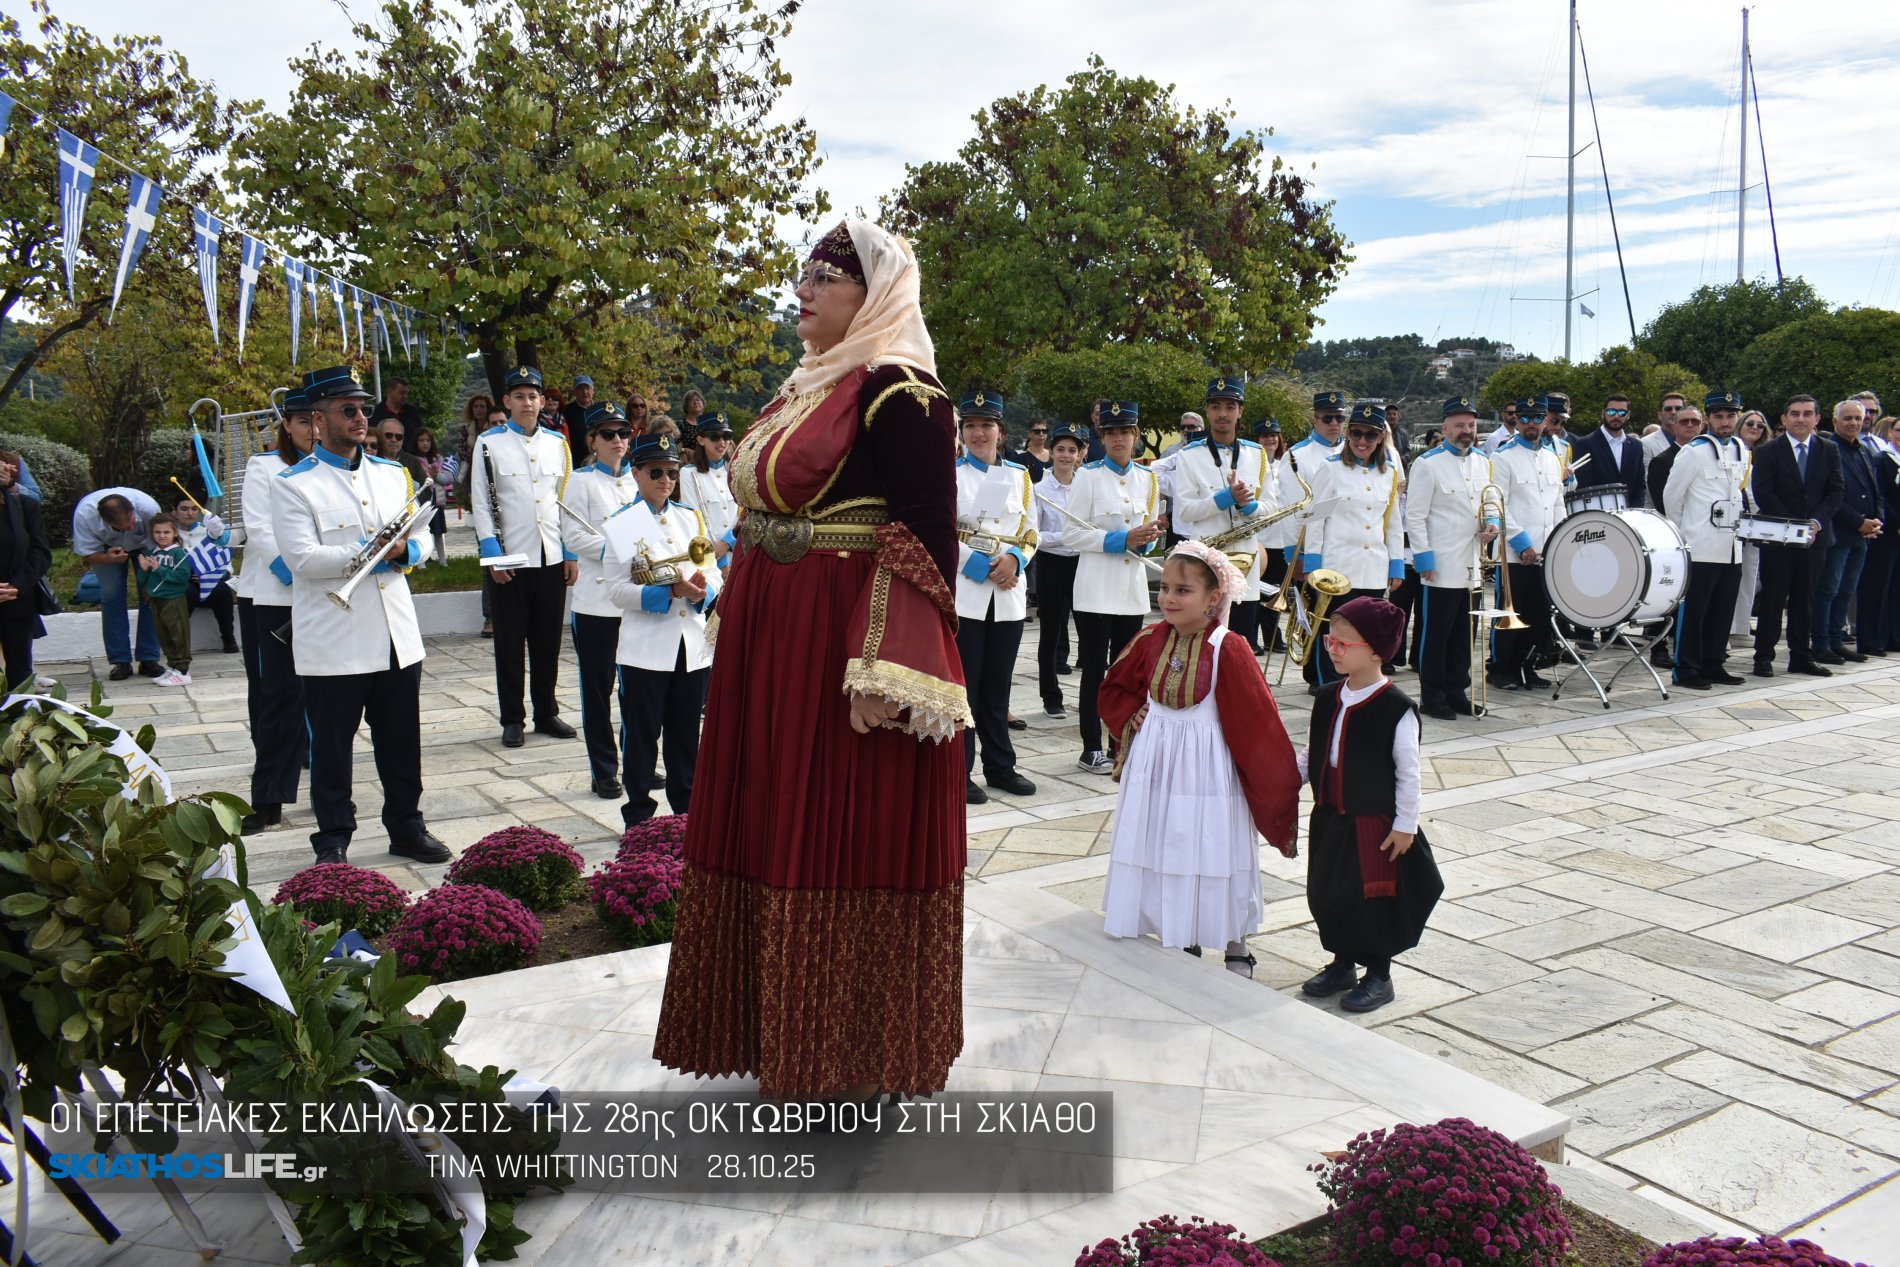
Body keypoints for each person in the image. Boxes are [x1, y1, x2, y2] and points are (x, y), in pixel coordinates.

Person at [653, 219, 971, 1102]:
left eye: (824, 279)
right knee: (770, 818)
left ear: (871, 298)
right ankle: (774, 1038)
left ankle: (847, 1059)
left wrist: (884, 670)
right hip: (773, 642)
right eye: (804, 276)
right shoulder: (804, 387)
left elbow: (926, 541)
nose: (803, 291)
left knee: (841, 826)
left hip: (841, 650)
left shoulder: (904, 394)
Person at [272, 365, 450, 866]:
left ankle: (406, 826)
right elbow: (303, 559)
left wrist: (407, 552)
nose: (359, 418)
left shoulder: (394, 474)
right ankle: (333, 838)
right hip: (334, 638)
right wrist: (373, 548)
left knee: (401, 741)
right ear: (317, 419)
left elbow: (415, 541)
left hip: (395, 633)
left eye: (363, 409)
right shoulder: (294, 484)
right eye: (347, 410)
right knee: (331, 749)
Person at [1098, 542, 1301, 976]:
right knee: (1164, 843)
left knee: (1213, 848)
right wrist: (1132, 714)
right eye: (1166, 588)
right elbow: (1114, 687)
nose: (1169, 598)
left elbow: (1257, 719)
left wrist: (1278, 776)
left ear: (1213, 598)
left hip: (1207, 770)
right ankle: (1178, 931)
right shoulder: (1150, 639)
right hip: (1157, 763)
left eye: (1183, 591)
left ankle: (1235, 944)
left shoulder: (1230, 647)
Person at [1296, 596, 1441, 1015]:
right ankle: (1342, 963)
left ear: (1376, 651)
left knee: (1373, 898)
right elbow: (1312, 753)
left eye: (1344, 645)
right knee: (1331, 892)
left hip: (1374, 824)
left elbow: (1408, 772)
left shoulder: (1396, 709)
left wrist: (1405, 825)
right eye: (1330, 642)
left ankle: (1379, 974)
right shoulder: (1328, 697)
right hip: (1330, 817)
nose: (1334, 651)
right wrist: (1286, 779)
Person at [607, 432, 721, 826]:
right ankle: (638, 816)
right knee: (641, 737)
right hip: (645, 648)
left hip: (690, 645)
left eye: (672, 472)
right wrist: (668, 591)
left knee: (685, 735)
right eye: (656, 471)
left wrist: (701, 592)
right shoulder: (622, 523)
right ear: (635, 472)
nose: (665, 480)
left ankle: (685, 813)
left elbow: (712, 572)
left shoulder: (690, 517)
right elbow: (618, 591)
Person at [473, 366, 580, 748]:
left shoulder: (558, 444)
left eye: (533, 396)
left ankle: (546, 711)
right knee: (510, 642)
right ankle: (512, 717)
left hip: (550, 554)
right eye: (519, 396)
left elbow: (564, 503)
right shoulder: (489, 443)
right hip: (510, 558)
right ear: (507, 402)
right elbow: (481, 503)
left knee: (548, 640)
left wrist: (569, 552)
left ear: (541, 401)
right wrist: (492, 553)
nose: (527, 402)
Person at [232, 390, 315, 835]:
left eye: (317, 420)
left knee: (325, 698)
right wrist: (296, 571)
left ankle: (328, 789)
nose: (312, 430)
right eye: (303, 421)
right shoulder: (264, 467)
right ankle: (268, 799)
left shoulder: (338, 466)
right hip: (274, 594)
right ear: (286, 425)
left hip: (323, 594)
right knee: (277, 697)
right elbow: (260, 527)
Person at [1067, 403, 1163, 775]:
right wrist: (1121, 538)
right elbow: (1073, 533)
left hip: (1130, 588)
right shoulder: (1087, 477)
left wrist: (1148, 539)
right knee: (1095, 669)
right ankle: (1091, 746)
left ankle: (1121, 741)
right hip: (1094, 588)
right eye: (1111, 432)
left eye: (1125, 431)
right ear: (1102, 437)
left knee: (1128, 672)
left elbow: (1151, 534)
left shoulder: (1148, 479)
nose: (1119, 438)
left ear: (1136, 435)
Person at [954, 389, 1038, 803]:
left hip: (1007, 593)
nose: (978, 432)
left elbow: (1031, 531)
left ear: (1000, 431)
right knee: (966, 686)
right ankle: (960, 771)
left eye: (986, 425)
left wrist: (1016, 560)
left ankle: (1001, 767)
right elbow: (939, 530)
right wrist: (978, 565)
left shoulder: (1020, 476)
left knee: (998, 687)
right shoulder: (949, 473)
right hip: (967, 591)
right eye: (971, 425)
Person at [1404, 397, 1499, 720]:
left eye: (1471, 425)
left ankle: (1457, 691)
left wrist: (1493, 523)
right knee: (1436, 634)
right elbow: (1414, 517)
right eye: (1459, 425)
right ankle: (1433, 695)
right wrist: (1424, 557)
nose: (1466, 431)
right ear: (1445, 428)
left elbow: (1489, 501)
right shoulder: (1428, 464)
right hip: (1441, 565)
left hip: (1473, 565)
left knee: (1464, 633)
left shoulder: (1483, 462)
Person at [561, 402, 639, 799]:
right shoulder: (580, 481)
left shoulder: (639, 480)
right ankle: (603, 769)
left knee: (636, 688)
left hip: (634, 602)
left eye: (623, 433)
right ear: (592, 440)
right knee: (598, 690)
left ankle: (636, 761)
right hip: (596, 602)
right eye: (608, 434)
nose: (618, 441)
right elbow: (573, 538)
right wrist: (620, 547)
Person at [1303, 404, 1406, 686]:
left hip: (1373, 567)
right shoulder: (1331, 468)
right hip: (1337, 570)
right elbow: (1315, 519)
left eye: (1370, 436)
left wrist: (1396, 564)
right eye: (1357, 433)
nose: (1362, 441)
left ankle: (1361, 689)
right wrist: (1313, 565)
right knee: (1335, 636)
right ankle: (1330, 689)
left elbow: (1393, 521)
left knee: (1366, 638)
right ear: (1348, 434)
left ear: (1380, 438)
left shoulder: (1389, 473)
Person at [1173, 378, 1273, 656]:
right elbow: (1185, 511)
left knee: (1240, 646)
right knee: (1204, 646)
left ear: (1240, 411)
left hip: (1246, 563)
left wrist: (1248, 507)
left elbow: (1272, 507)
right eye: (1216, 407)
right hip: (1207, 561)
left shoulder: (1257, 454)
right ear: (1207, 411)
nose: (1223, 414)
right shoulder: (1189, 456)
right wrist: (1223, 499)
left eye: (1230, 406)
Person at [1750, 395, 1843, 678]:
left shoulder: (1829, 450)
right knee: (1773, 599)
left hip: (1815, 538)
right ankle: (1763, 656)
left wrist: (1815, 522)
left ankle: (1801, 656)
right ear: (1784, 419)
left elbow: (1836, 491)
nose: (1800, 419)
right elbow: (1763, 492)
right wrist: (1793, 525)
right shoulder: (1768, 451)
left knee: (1805, 599)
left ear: (1817, 418)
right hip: (1779, 538)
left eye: (1807, 414)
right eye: (1794, 414)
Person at [1663, 391, 1750, 689]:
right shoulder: (1694, 451)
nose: (1725, 422)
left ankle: (1714, 664)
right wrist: (1685, 533)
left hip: (1731, 547)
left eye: (1730, 415)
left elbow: (1739, 492)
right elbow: (1672, 497)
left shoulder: (1742, 449)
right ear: (1708, 418)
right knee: (1695, 612)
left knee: (1722, 610)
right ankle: (1686, 668)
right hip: (1700, 545)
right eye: (1719, 416)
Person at [1488, 402, 1563, 691]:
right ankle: (1500, 668)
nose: (1531, 423)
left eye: (1537, 418)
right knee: (1510, 614)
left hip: (1546, 550)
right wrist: (1522, 543)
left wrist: (1560, 538)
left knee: (1538, 615)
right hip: (1514, 553)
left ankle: (1528, 666)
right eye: (1525, 418)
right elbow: (1498, 503)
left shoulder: (1551, 458)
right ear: (1517, 421)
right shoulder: (1502, 457)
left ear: (1545, 421)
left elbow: (1557, 503)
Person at [1812, 398, 1883, 665]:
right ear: (1835, 421)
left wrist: (1877, 520)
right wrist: (1857, 522)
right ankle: (1820, 643)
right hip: (1838, 530)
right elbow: (1831, 495)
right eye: (1847, 418)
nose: (1853, 423)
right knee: (1828, 589)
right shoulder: (1830, 449)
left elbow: (1874, 488)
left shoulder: (1863, 449)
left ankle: (1836, 640)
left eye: (1858, 418)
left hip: (1862, 533)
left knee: (1846, 589)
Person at [72, 487, 164, 681]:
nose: (129, 529)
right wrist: (107, 558)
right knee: (111, 596)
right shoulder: (84, 515)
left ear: (133, 511)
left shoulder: (148, 508)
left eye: (131, 523)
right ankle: (120, 661)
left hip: (146, 544)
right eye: (121, 528)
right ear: (106, 522)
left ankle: (149, 658)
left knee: (152, 594)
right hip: (106, 548)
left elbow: (161, 541)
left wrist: (152, 570)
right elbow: (88, 553)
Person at [1032, 425, 1085, 718]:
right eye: (1061, 449)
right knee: (1050, 633)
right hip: (1052, 565)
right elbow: (1036, 534)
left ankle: (1092, 695)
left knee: (1090, 632)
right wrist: (1067, 536)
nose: (1066, 455)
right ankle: (1051, 696)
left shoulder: (1085, 487)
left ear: (1080, 455)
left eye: (1072, 450)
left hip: (1082, 564)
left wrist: (1076, 538)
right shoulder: (1039, 490)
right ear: (1051, 453)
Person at [0, 451, 51, 688]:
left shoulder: (24, 506)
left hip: (17, 598)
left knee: (19, 674)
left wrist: (17, 585)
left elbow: (41, 553)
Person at [171, 493, 238, 654]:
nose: (190, 513)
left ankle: (228, 637)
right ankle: (180, 643)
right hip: (185, 583)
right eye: (184, 509)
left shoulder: (210, 531)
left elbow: (225, 562)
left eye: (194, 509)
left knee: (221, 590)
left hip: (210, 580)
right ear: (174, 511)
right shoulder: (170, 534)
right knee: (187, 593)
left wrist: (208, 574)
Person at [1254, 420, 1297, 656]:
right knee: (1257, 591)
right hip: (1262, 538)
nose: (1270, 440)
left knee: (1276, 591)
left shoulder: (1286, 464)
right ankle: (1256, 638)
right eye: (1264, 436)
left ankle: (1273, 637)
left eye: (1274, 436)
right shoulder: (1254, 464)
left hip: (1281, 538)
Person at [137, 512, 195, 686]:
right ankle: (172, 666)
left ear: (175, 533)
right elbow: (142, 580)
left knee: (178, 634)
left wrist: (159, 568)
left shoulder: (179, 553)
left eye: (166, 532)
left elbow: (182, 577)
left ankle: (183, 670)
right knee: (164, 635)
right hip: (157, 599)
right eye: (157, 532)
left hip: (174, 599)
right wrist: (144, 569)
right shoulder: (152, 552)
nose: (162, 536)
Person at [677, 412, 740, 567]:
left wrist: (728, 542)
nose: (722, 442)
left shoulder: (737, 470)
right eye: (714, 437)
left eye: (726, 436)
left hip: (740, 552)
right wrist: (722, 563)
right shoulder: (688, 473)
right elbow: (694, 519)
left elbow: (745, 515)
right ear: (700, 440)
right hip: (709, 559)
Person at [1730, 409, 1771, 647]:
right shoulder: (1732, 450)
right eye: (1750, 423)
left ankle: (1741, 626)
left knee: (1750, 576)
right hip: (1734, 522)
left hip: (1757, 523)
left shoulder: (1763, 454)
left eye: (1760, 425)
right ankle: (1729, 627)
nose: (1755, 428)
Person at [1574, 393, 1647, 508]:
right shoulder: (1585, 444)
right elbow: (1583, 484)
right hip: (1598, 513)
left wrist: (1635, 510)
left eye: (1622, 412)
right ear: (1603, 413)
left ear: (1628, 415)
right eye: (1611, 412)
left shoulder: (1636, 445)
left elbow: (1640, 484)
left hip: (1629, 515)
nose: (1616, 416)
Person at [412, 426, 452, 565]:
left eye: (428, 440)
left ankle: (443, 560)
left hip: (438, 501)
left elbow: (448, 479)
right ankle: (421, 562)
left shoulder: (438, 459)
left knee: (438, 531)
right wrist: (429, 476)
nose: (425, 443)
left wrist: (437, 475)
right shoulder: (414, 460)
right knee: (421, 530)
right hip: (422, 502)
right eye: (421, 440)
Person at [1291, 391, 1345, 473]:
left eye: (1339, 418)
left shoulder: (1353, 451)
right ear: (1314, 421)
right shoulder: (1296, 456)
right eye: (1327, 418)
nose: (1334, 423)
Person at [369, 376, 423, 450]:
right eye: (402, 393)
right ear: (390, 391)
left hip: (409, 457)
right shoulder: (375, 413)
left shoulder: (412, 412)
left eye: (407, 393)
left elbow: (420, 435)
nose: (405, 396)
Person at [377, 417, 429, 487]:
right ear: (378, 436)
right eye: (389, 435)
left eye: (398, 437)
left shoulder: (412, 461)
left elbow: (426, 491)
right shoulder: (371, 459)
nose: (394, 440)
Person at [1643, 392, 1688, 464]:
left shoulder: (1694, 440)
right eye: (1668, 409)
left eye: (1678, 408)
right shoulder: (1646, 444)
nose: (1673, 412)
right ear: (1660, 415)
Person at [562, 375, 597, 465]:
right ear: (574, 392)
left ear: (593, 391)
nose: (584, 392)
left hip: (599, 459)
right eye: (580, 388)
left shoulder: (600, 410)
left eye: (587, 388)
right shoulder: (567, 411)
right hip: (576, 460)